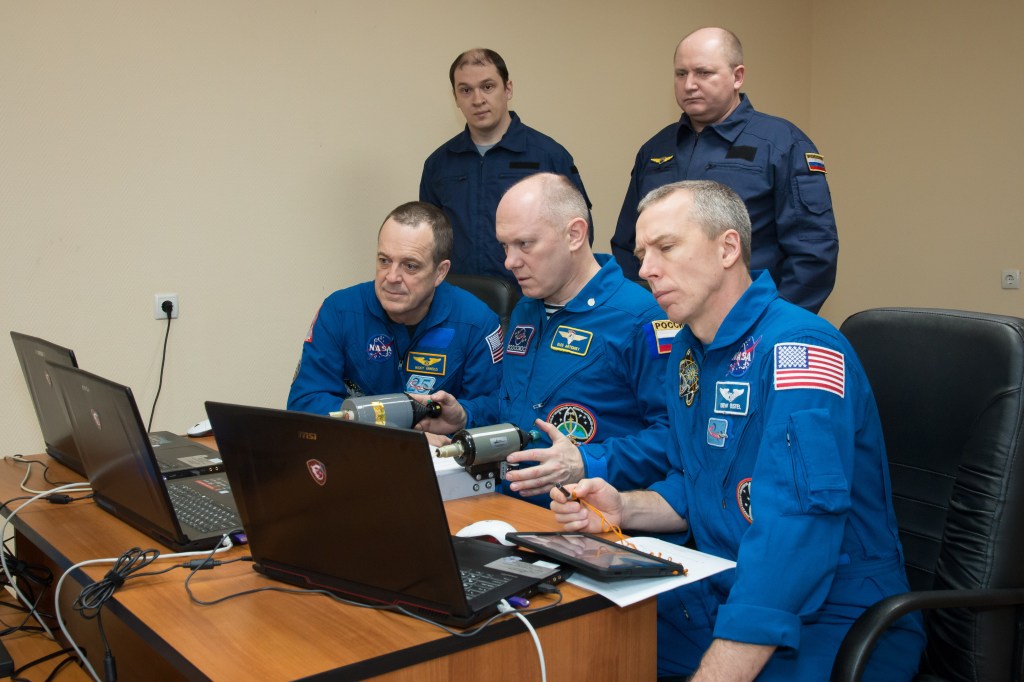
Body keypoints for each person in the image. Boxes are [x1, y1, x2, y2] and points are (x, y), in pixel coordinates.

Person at [554, 181, 924, 680]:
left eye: (666, 247)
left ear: (728, 248)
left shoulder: (800, 350)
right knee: (571, 643)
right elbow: (695, 483)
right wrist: (624, 507)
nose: (645, 270)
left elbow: (797, 530)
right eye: (641, 255)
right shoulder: (688, 350)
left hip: (833, 614)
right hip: (723, 585)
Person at [415, 173, 673, 501]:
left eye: (524, 244)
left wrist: (586, 462)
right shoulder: (526, 309)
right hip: (507, 502)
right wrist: (464, 416)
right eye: (505, 246)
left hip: (589, 514)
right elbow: (516, 408)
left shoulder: (642, 318)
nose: (509, 262)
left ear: (574, 234)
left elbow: (673, 437)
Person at [610, 27, 838, 313]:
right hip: (661, 320)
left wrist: (772, 321)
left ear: (737, 77)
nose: (689, 84)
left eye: (703, 73)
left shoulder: (780, 143)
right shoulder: (655, 149)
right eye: (681, 74)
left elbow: (813, 252)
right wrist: (642, 313)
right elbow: (627, 244)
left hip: (753, 318)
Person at [287, 201, 503, 416]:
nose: (391, 277)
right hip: (358, 437)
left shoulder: (477, 323)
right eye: (384, 261)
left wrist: (462, 416)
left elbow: (494, 407)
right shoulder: (339, 312)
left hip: (439, 439)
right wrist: (381, 423)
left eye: (410, 266)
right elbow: (305, 401)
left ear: (440, 272)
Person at [420, 48, 592, 289]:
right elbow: (429, 240)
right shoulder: (439, 164)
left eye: (487, 86)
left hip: (531, 297)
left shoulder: (548, 156)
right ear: (455, 97)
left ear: (508, 89)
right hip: (460, 296)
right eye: (466, 90)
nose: (478, 99)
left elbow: (580, 235)